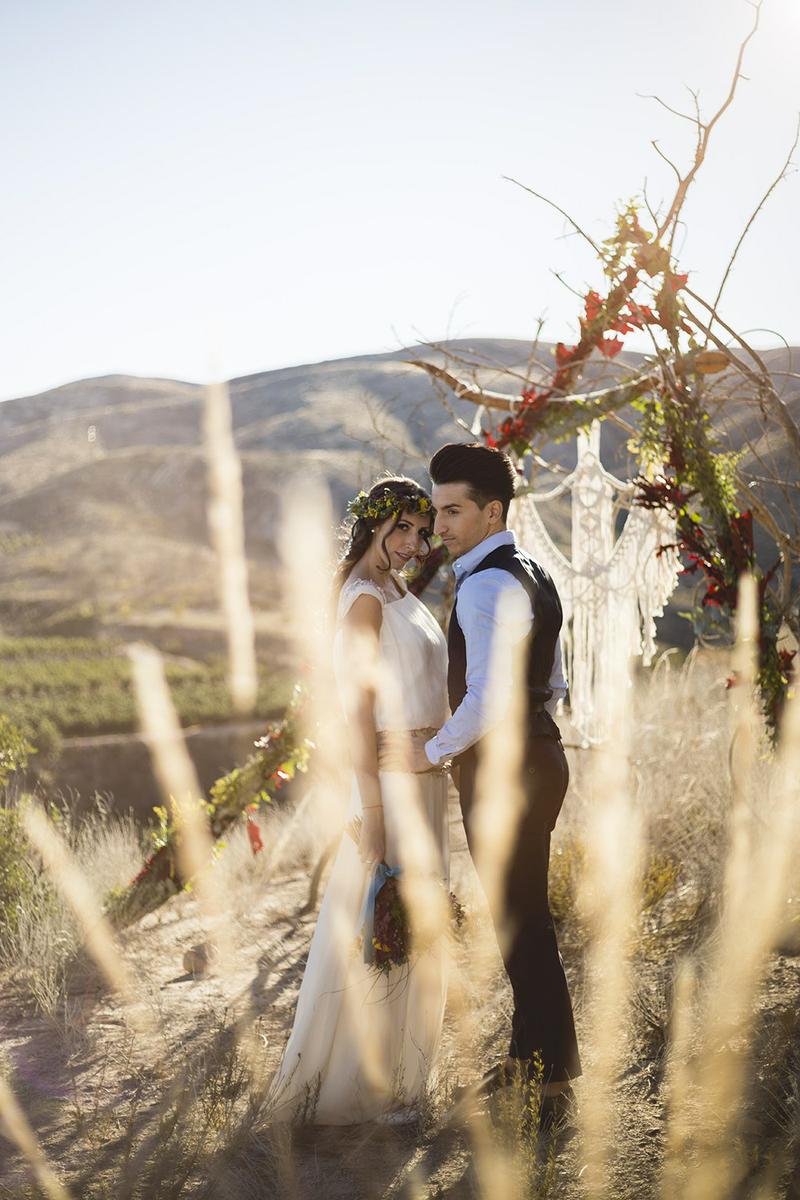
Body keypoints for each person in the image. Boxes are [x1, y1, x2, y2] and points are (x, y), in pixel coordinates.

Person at [381, 442, 581, 1127]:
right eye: (436, 510)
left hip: (506, 769)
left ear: (492, 510)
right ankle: (530, 1057)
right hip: (538, 756)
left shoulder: (486, 584)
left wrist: (431, 752)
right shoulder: (532, 572)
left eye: (453, 510)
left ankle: (550, 1089)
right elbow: (551, 679)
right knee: (520, 918)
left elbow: (490, 697)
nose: (439, 526)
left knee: (523, 926)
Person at [267, 476, 451, 1125]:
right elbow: (356, 714)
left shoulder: (396, 588)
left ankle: (402, 1075)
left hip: (425, 776)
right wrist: (371, 814)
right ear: (373, 525)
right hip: (390, 791)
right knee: (385, 926)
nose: (413, 542)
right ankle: (365, 1085)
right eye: (401, 527)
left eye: (421, 530)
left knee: (415, 925)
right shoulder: (365, 601)